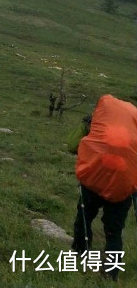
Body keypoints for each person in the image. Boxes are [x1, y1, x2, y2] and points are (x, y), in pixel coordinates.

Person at [73, 95, 137, 276]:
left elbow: (77, 145)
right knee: (114, 232)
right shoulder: (132, 132)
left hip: (95, 177)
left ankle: (79, 254)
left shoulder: (100, 123)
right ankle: (111, 274)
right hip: (122, 186)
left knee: (84, 219)